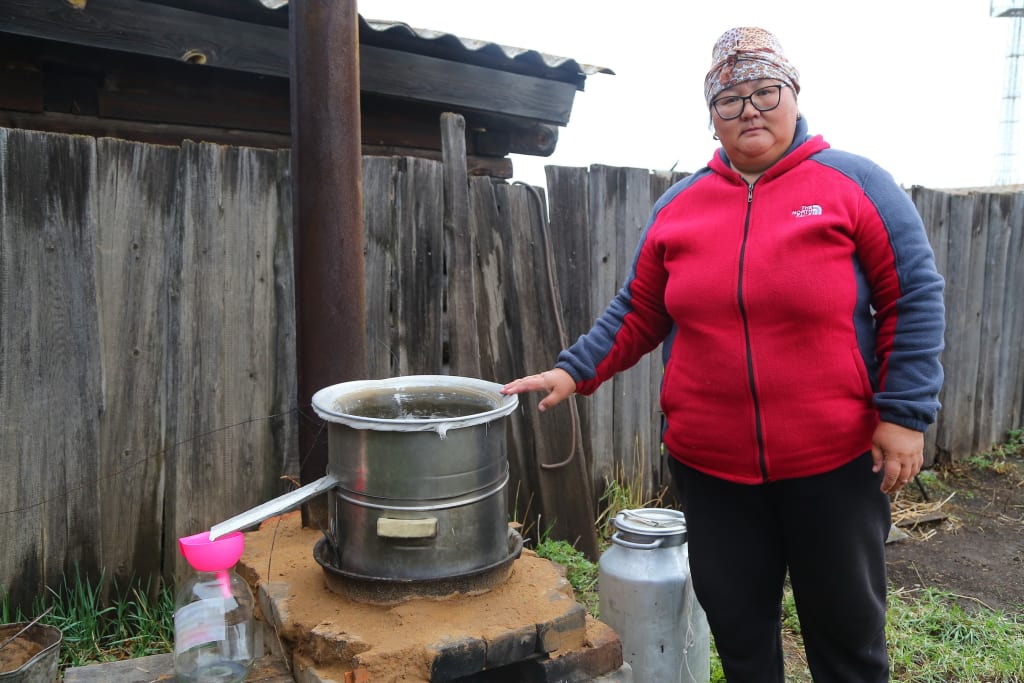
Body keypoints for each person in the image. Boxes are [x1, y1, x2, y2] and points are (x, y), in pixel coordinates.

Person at [501, 26, 945, 683]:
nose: (750, 110)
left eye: (765, 92)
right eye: (730, 99)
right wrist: (574, 368)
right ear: (712, 116)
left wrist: (904, 414)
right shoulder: (679, 207)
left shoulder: (855, 184)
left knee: (848, 638)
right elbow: (639, 309)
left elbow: (913, 295)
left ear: (794, 94)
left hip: (833, 465)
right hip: (713, 471)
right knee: (740, 638)